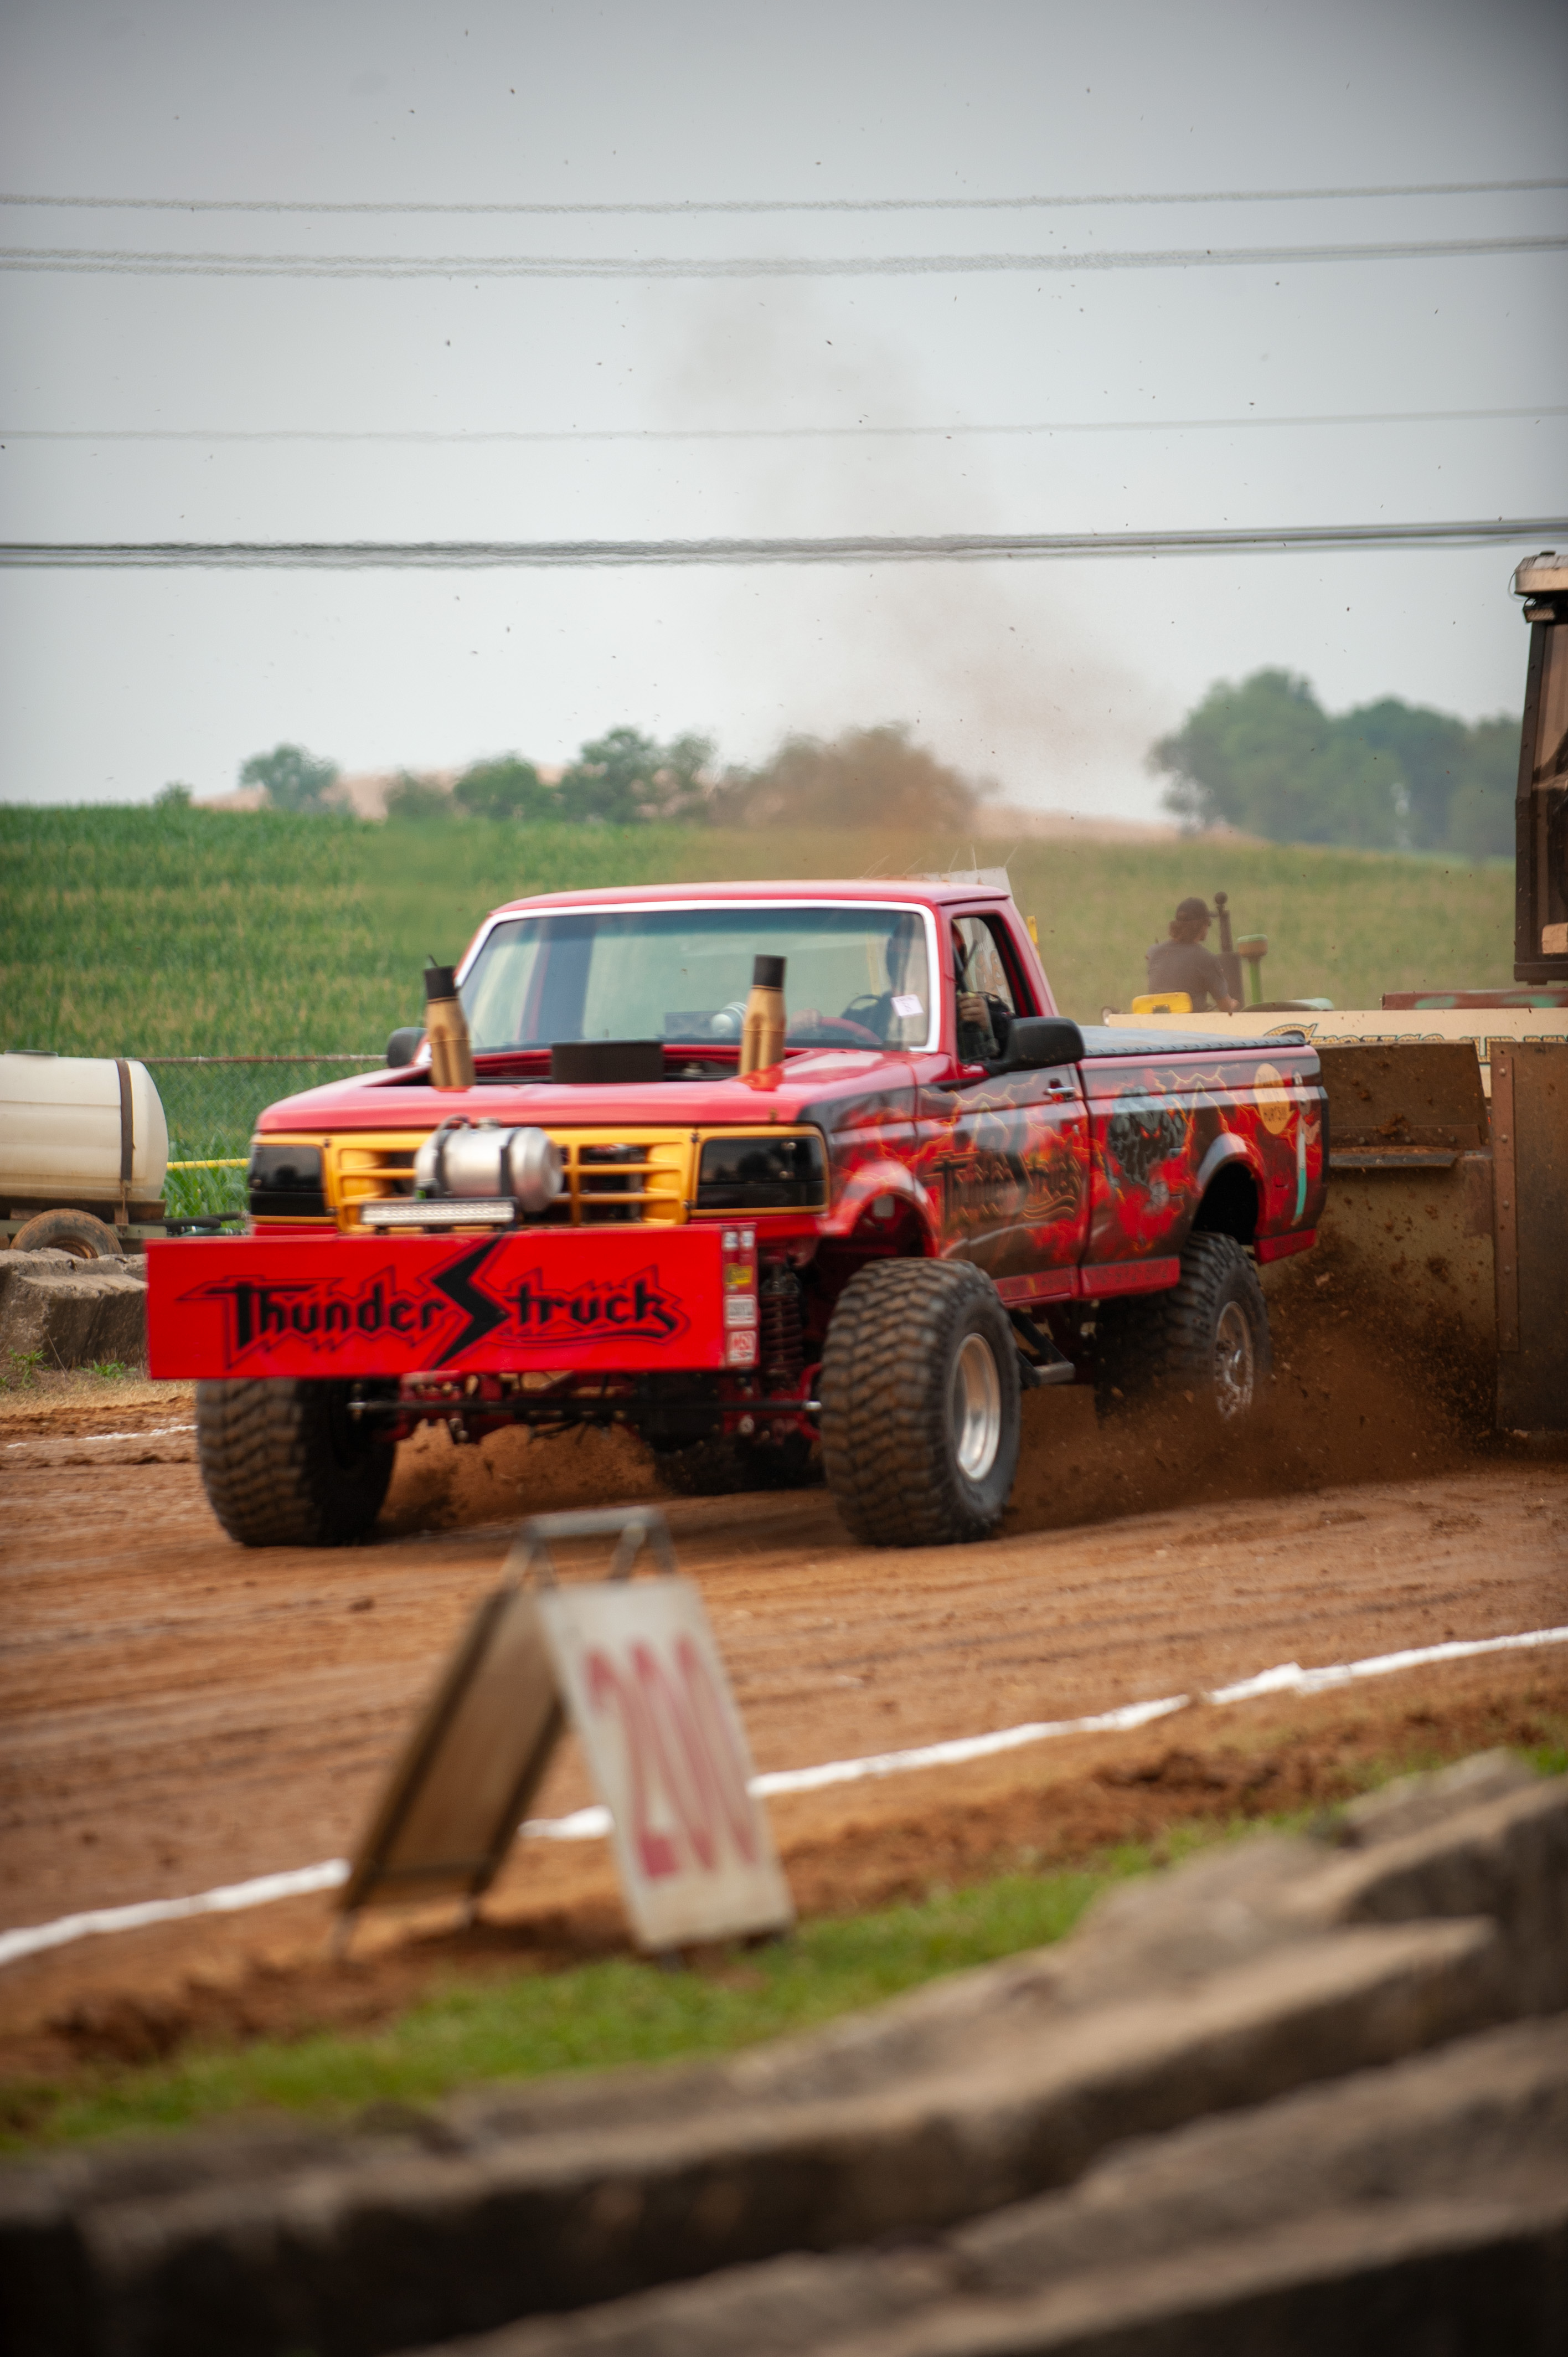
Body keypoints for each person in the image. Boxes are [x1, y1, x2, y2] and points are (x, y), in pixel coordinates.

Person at [1144, 897, 1239, 1013]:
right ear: (1202, 925)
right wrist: (1234, 1004)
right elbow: (1226, 1008)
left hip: (1157, 1028)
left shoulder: (1153, 952)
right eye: (1208, 924)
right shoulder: (1206, 959)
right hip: (1190, 1029)